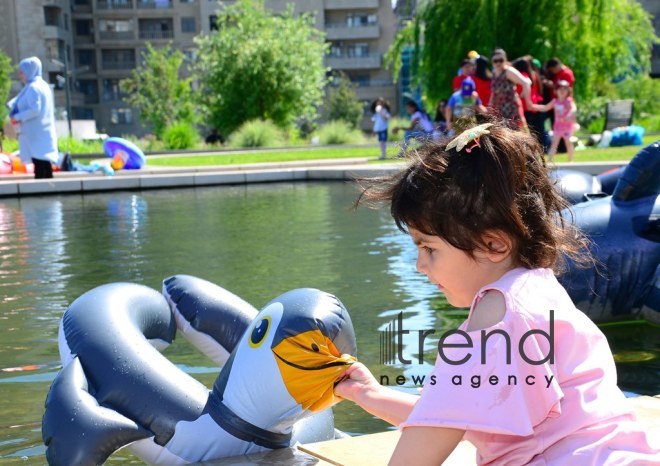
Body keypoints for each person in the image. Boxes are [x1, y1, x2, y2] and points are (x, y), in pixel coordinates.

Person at [336, 120, 659, 465]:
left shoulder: (495, 316)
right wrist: (369, 395)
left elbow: (419, 451)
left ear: (493, 244)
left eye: (429, 249)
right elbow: (450, 416)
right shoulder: (538, 289)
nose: (420, 265)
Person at [7, 57, 58, 179]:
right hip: (40, 131)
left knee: (39, 162)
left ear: (30, 70)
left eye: (22, 71)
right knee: (43, 161)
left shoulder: (34, 88)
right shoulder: (42, 86)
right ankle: (48, 191)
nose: (20, 75)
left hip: (36, 133)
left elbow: (35, 109)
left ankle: (43, 191)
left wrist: (17, 117)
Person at [532, 80, 578, 163]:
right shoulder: (555, 102)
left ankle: (570, 160)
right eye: (560, 89)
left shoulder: (568, 101)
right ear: (556, 91)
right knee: (554, 144)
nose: (562, 91)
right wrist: (533, 106)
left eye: (565, 89)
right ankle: (549, 160)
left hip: (567, 127)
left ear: (568, 91)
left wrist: (569, 115)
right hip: (558, 127)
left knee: (568, 142)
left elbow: (573, 108)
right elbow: (545, 107)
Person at [489, 48, 533, 129]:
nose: (498, 63)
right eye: (495, 61)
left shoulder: (509, 71)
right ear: (492, 61)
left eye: (501, 60)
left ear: (505, 60)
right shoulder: (494, 72)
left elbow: (526, 82)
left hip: (512, 109)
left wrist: (528, 102)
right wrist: (489, 106)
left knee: (517, 133)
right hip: (500, 109)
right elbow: (494, 91)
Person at [512, 56, 545, 148]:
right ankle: (539, 147)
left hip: (525, 105)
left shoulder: (523, 75)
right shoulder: (533, 73)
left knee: (527, 130)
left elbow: (525, 86)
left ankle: (532, 147)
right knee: (537, 130)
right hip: (534, 102)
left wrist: (519, 95)